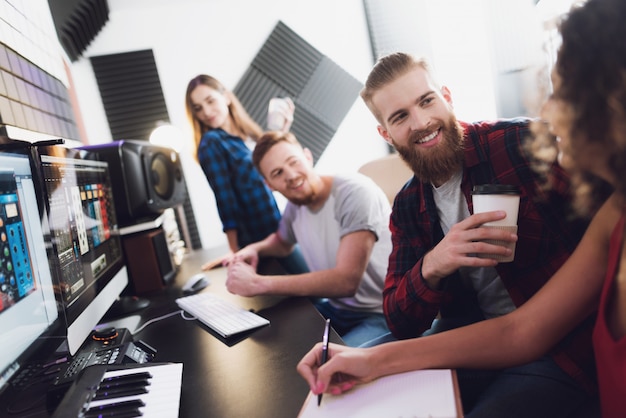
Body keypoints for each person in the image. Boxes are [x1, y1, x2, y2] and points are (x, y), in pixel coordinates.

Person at [298, 0, 626, 416]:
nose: (420, 123)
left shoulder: (522, 145)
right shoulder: (408, 206)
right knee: (363, 389)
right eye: (400, 116)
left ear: (447, 98)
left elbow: (596, 198)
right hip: (481, 333)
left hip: (558, 343)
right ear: (386, 132)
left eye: (427, 101)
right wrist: (435, 263)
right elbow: (401, 319)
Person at [223, 131, 392, 347]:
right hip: (337, 308)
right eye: (278, 173)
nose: (291, 175)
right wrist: (254, 248)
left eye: (293, 162)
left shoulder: (354, 192)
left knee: (330, 368)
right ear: (270, 185)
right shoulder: (296, 205)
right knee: (264, 335)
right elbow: (282, 242)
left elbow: (346, 282)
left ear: (308, 156)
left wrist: (258, 283)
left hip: (382, 314)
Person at [185, 75, 307, 273]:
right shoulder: (211, 143)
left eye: (210, 101)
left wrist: (282, 131)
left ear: (226, 97)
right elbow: (225, 199)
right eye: (198, 108)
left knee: (311, 291)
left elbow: (268, 177)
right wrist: (234, 251)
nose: (206, 112)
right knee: (312, 292)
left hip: (280, 228)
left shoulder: (246, 136)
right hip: (260, 237)